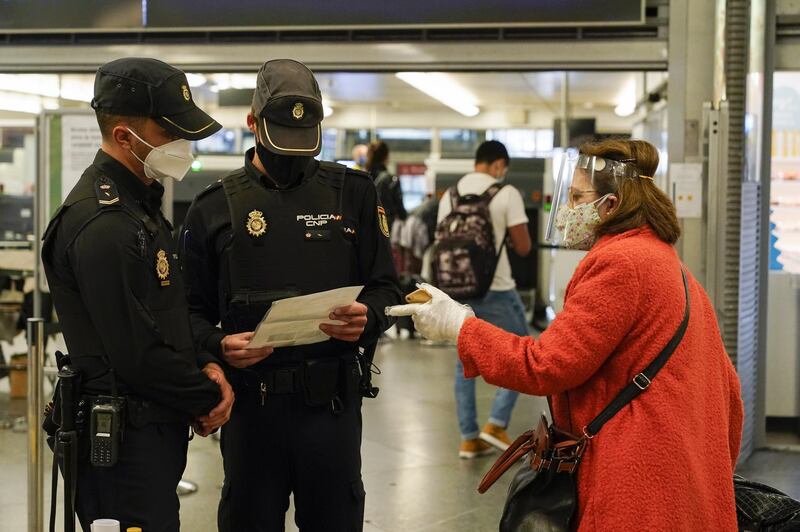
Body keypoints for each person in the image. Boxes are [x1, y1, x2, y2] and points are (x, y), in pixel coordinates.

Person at [388, 139, 743, 531]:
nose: (568, 209)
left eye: (577, 197)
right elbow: (729, 393)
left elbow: (546, 366)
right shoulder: (666, 262)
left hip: (636, 485)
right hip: (683, 482)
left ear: (610, 205)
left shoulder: (620, 264)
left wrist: (460, 326)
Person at [181, 59, 401, 532]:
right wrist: (217, 346)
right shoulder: (214, 208)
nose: (295, 151)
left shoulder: (354, 194)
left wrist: (371, 315)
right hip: (252, 414)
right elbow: (189, 312)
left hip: (333, 410)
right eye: (281, 133)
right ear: (252, 123)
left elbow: (386, 287)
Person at [41, 57, 233, 532]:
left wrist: (205, 359)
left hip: (149, 433)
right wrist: (207, 393)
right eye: (169, 133)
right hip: (120, 449)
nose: (181, 146)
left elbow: (164, 312)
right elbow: (134, 351)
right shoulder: (102, 224)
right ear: (125, 136)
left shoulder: (139, 207)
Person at [435, 140, 532, 458]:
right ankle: (496, 423)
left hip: (458, 290)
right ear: (499, 164)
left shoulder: (449, 196)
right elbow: (523, 247)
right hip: (498, 287)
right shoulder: (506, 193)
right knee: (525, 354)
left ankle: (468, 438)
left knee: (466, 360)